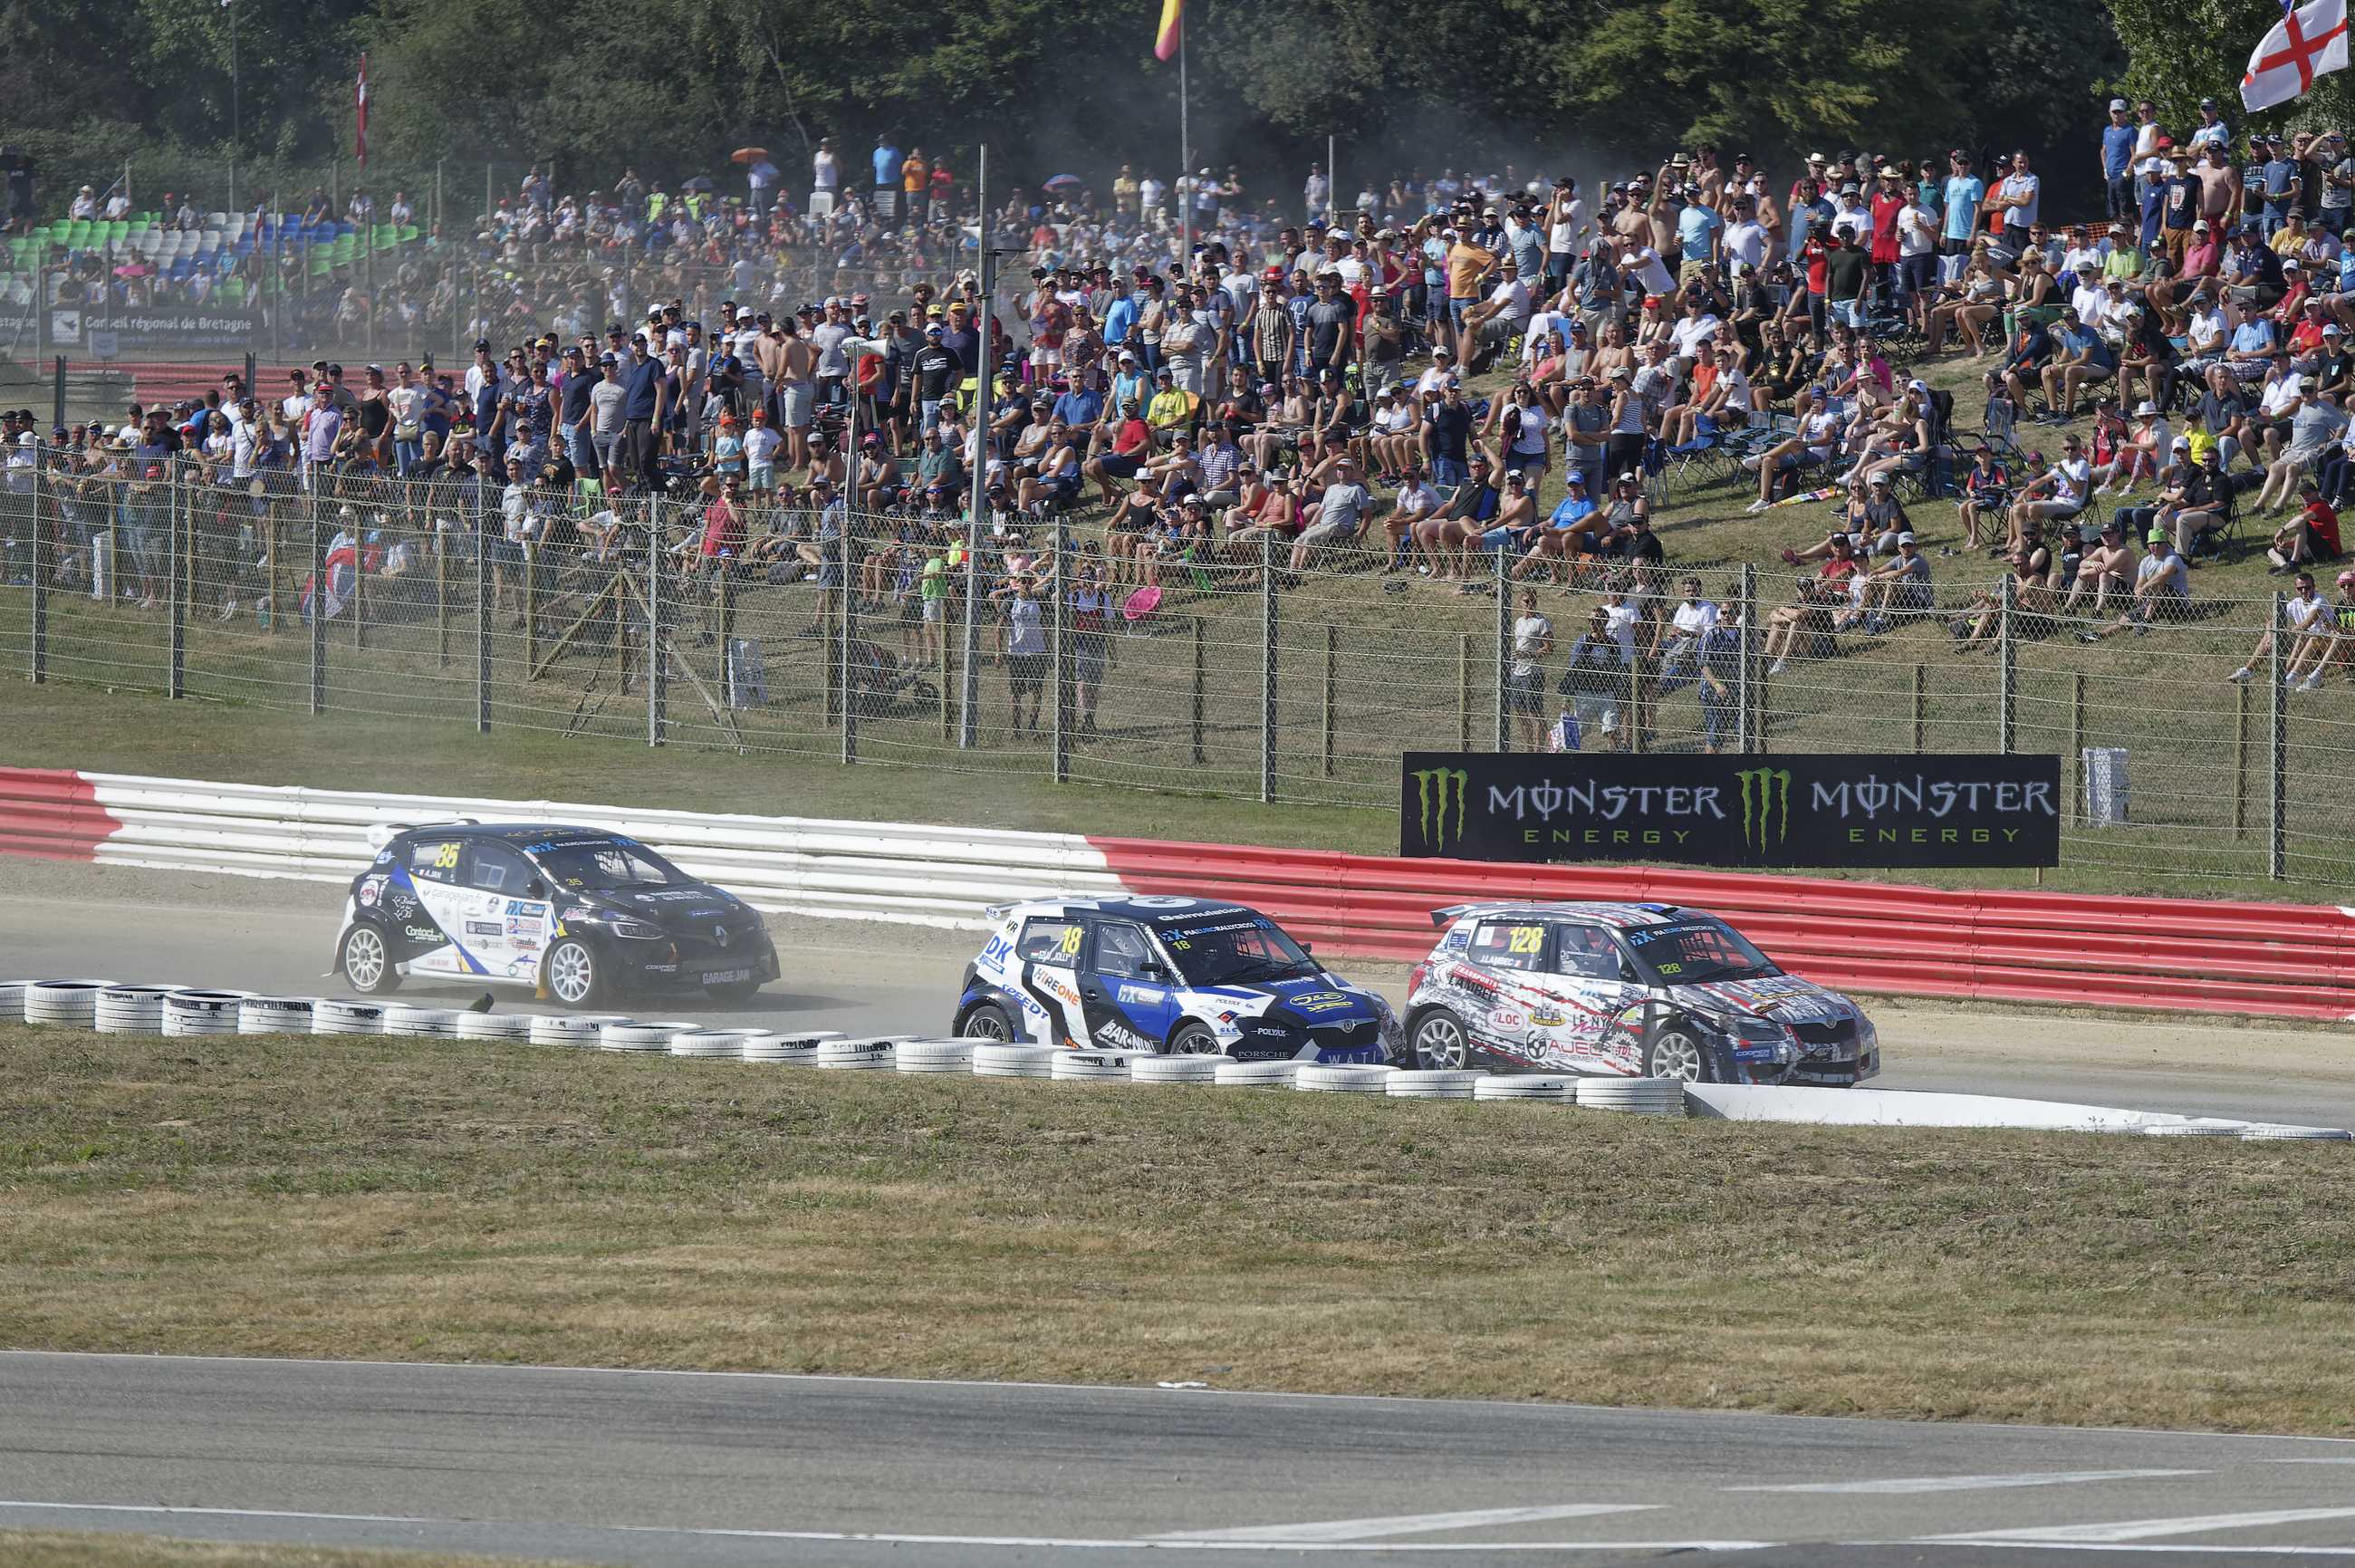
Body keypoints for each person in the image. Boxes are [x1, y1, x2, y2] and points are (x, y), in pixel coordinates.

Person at [1506, 587, 1553, 752]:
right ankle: (1529, 748)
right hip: (1517, 672)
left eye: (1533, 601)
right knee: (1520, 712)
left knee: (1536, 712)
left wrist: (1528, 654)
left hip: (1533, 673)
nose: (1530, 604)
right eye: (1527, 601)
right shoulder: (1519, 622)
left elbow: (1548, 649)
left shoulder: (1541, 622)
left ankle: (1540, 748)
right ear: (1521, 602)